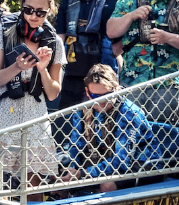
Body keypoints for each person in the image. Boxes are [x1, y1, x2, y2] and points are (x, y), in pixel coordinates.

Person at [0, 0, 66, 198]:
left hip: (34, 115)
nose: (33, 16)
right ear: (21, 7)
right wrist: (17, 67)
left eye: (40, 12)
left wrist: (42, 70)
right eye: (28, 10)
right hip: (3, 111)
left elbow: (53, 93)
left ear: (50, 11)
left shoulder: (55, 42)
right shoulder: (2, 31)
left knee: (32, 191)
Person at [62, 64, 154, 193]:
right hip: (102, 160)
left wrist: (82, 173)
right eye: (95, 97)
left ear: (116, 89)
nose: (101, 102)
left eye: (107, 96)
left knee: (107, 183)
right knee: (60, 174)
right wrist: (71, 170)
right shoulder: (82, 111)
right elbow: (75, 148)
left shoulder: (130, 114)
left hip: (143, 165)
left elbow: (122, 162)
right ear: (87, 92)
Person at [55, 0, 121, 111]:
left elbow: (123, 34)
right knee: (66, 126)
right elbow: (60, 36)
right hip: (72, 75)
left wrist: (118, 55)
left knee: (102, 127)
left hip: (102, 77)